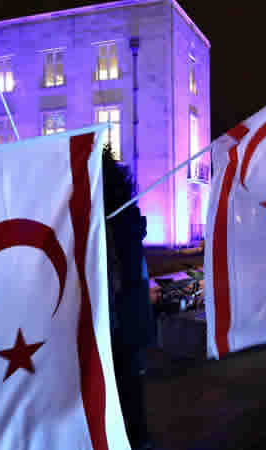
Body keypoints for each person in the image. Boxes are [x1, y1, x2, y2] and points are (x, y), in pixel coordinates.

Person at [102, 146, 156, 450]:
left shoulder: (114, 226)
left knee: (123, 393)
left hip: (117, 324)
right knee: (131, 393)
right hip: (131, 323)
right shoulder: (129, 222)